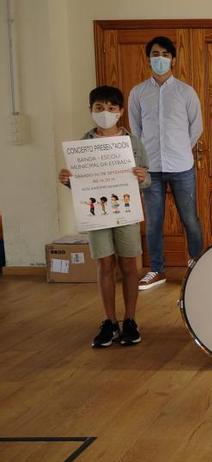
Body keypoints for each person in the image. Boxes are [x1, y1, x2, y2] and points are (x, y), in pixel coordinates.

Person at [58, 86, 150, 347]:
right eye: (99, 108)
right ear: (90, 111)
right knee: (104, 265)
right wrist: (67, 180)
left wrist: (143, 177)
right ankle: (109, 321)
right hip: (96, 215)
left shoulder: (133, 142)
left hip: (125, 213)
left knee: (130, 265)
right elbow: (80, 186)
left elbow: (147, 176)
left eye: (111, 108)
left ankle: (130, 319)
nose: (105, 113)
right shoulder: (82, 146)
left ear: (120, 112)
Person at [129, 36, 204, 290]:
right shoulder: (138, 93)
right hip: (151, 169)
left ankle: (197, 266)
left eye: (164, 54)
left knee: (190, 220)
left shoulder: (186, 92)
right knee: (153, 222)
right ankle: (157, 270)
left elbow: (196, 127)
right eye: (154, 54)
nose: (159, 58)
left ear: (173, 58)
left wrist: (181, 149)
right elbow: (135, 129)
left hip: (182, 167)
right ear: (148, 58)